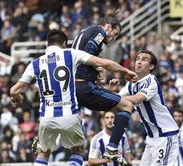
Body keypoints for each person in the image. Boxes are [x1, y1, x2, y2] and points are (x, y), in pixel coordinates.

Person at [9, 29, 137, 166]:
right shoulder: (70, 54)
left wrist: (17, 97)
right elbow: (104, 63)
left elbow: (14, 90)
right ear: (64, 43)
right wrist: (125, 71)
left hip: (46, 117)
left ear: (48, 44)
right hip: (69, 114)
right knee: (78, 150)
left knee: (43, 153)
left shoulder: (35, 63)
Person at [71, 9, 136, 161]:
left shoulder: (83, 32)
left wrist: (96, 70)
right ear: (108, 27)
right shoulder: (99, 31)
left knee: (77, 145)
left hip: (72, 88)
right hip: (84, 86)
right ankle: (113, 148)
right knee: (126, 105)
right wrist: (103, 67)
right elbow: (89, 54)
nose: (114, 39)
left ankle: (43, 140)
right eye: (115, 34)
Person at [109, 50, 179, 165]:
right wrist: (112, 92)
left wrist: (113, 96)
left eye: (144, 59)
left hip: (166, 135)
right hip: (151, 138)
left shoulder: (151, 81)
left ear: (151, 66)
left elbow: (136, 99)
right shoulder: (131, 84)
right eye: (137, 59)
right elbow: (115, 103)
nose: (139, 62)